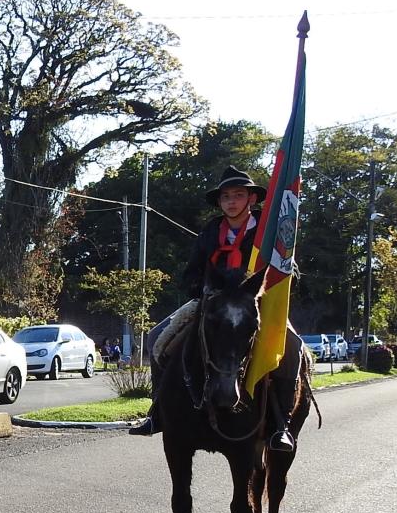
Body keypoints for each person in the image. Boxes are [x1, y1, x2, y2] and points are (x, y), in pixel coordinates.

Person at [128, 166, 300, 452]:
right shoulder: (210, 231)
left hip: (257, 302)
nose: (231, 201)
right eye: (226, 197)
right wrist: (203, 287)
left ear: (251, 199)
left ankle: (281, 424)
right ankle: (157, 411)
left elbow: (286, 265)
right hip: (212, 301)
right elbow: (191, 272)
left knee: (293, 347)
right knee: (158, 337)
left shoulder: (269, 230)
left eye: (238, 195)